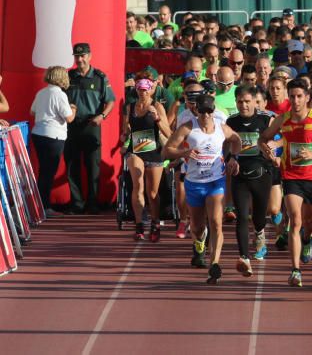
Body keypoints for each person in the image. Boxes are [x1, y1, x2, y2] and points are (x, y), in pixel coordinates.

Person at [259, 78, 312, 287]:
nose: (296, 100)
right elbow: (263, 138)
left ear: (306, 98)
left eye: (299, 96)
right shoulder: (282, 119)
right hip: (291, 176)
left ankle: (308, 239)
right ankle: (295, 270)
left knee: (309, 220)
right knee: (295, 221)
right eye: (293, 96)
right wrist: (269, 152)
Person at [161, 94, 242, 284]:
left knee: (216, 222)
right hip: (194, 183)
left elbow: (236, 139)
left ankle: (215, 263)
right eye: (202, 111)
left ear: (214, 111)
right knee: (197, 227)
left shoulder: (221, 128)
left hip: (216, 181)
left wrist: (233, 157)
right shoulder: (187, 128)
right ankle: (199, 242)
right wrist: (184, 153)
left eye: (209, 111)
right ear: (196, 110)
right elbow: (166, 151)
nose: (206, 115)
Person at [226, 87, 279, 275]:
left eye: (247, 101)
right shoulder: (231, 122)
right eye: (240, 101)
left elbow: (285, 136)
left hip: (262, 174)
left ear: (255, 102)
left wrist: (275, 144)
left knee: (258, 217)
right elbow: (225, 145)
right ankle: (244, 257)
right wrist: (230, 158)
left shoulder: (265, 119)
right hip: (240, 175)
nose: (244, 105)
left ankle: (260, 232)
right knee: (241, 216)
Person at [65, 43, 116, 214]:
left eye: (83, 56)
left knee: (93, 166)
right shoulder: (69, 76)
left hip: (91, 125)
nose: (79, 59)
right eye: (77, 56)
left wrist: (102, 116)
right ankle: (77, 204)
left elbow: (111, 101)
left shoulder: (100, 77)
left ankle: (93, 203)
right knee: (72, 166)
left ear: (90, 56)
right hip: (71, 126)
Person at [119, 77, 171, 241]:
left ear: (152, 90)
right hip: (136, 150)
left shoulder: (157, 106)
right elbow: (126, 129)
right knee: (138, 185)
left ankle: (155, 223)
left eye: (146, 89)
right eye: (140, 89)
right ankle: (139, 225)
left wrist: (157, 119)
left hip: (154, 151)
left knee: (153, 192)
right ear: (136, 90)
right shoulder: (130, 106)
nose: (143, 92)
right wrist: (125, 134)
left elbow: (168, 133)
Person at [30, 67, 76, 217]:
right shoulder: (60, 95)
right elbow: (69, 118)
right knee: (48, 173)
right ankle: (44, 207)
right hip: (53, 136)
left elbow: (33, 111)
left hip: (38, 134)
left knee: (44, 171)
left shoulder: (41, 92)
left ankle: (39, 205)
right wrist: (73, 108)